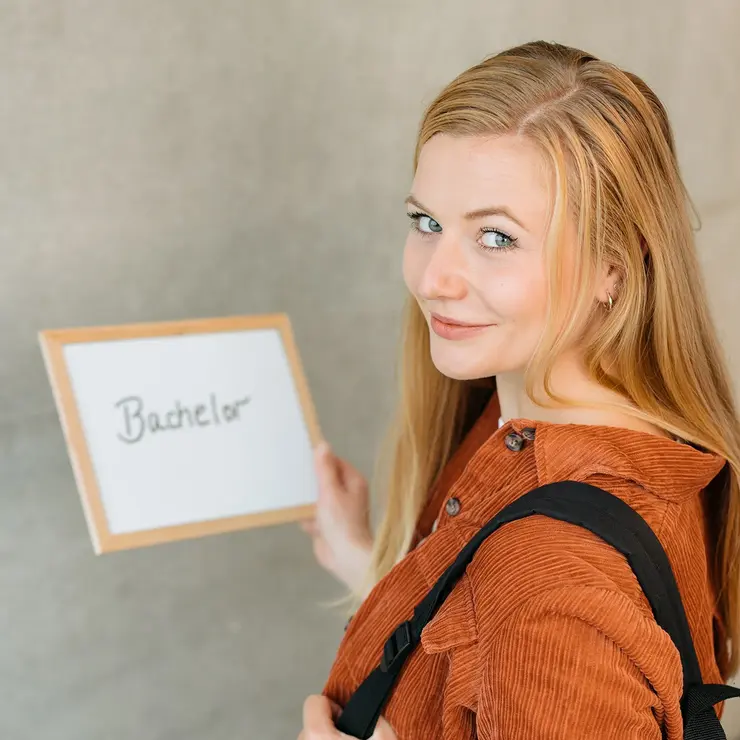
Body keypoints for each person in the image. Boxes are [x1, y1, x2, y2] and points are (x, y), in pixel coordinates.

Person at [297, 40, 740, 740]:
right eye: (426, 223)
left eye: (496, 238)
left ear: (613, 271)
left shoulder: (550, 595)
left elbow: (529, 618)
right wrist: (375, 566)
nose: (433, 277)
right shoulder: (522, 418)